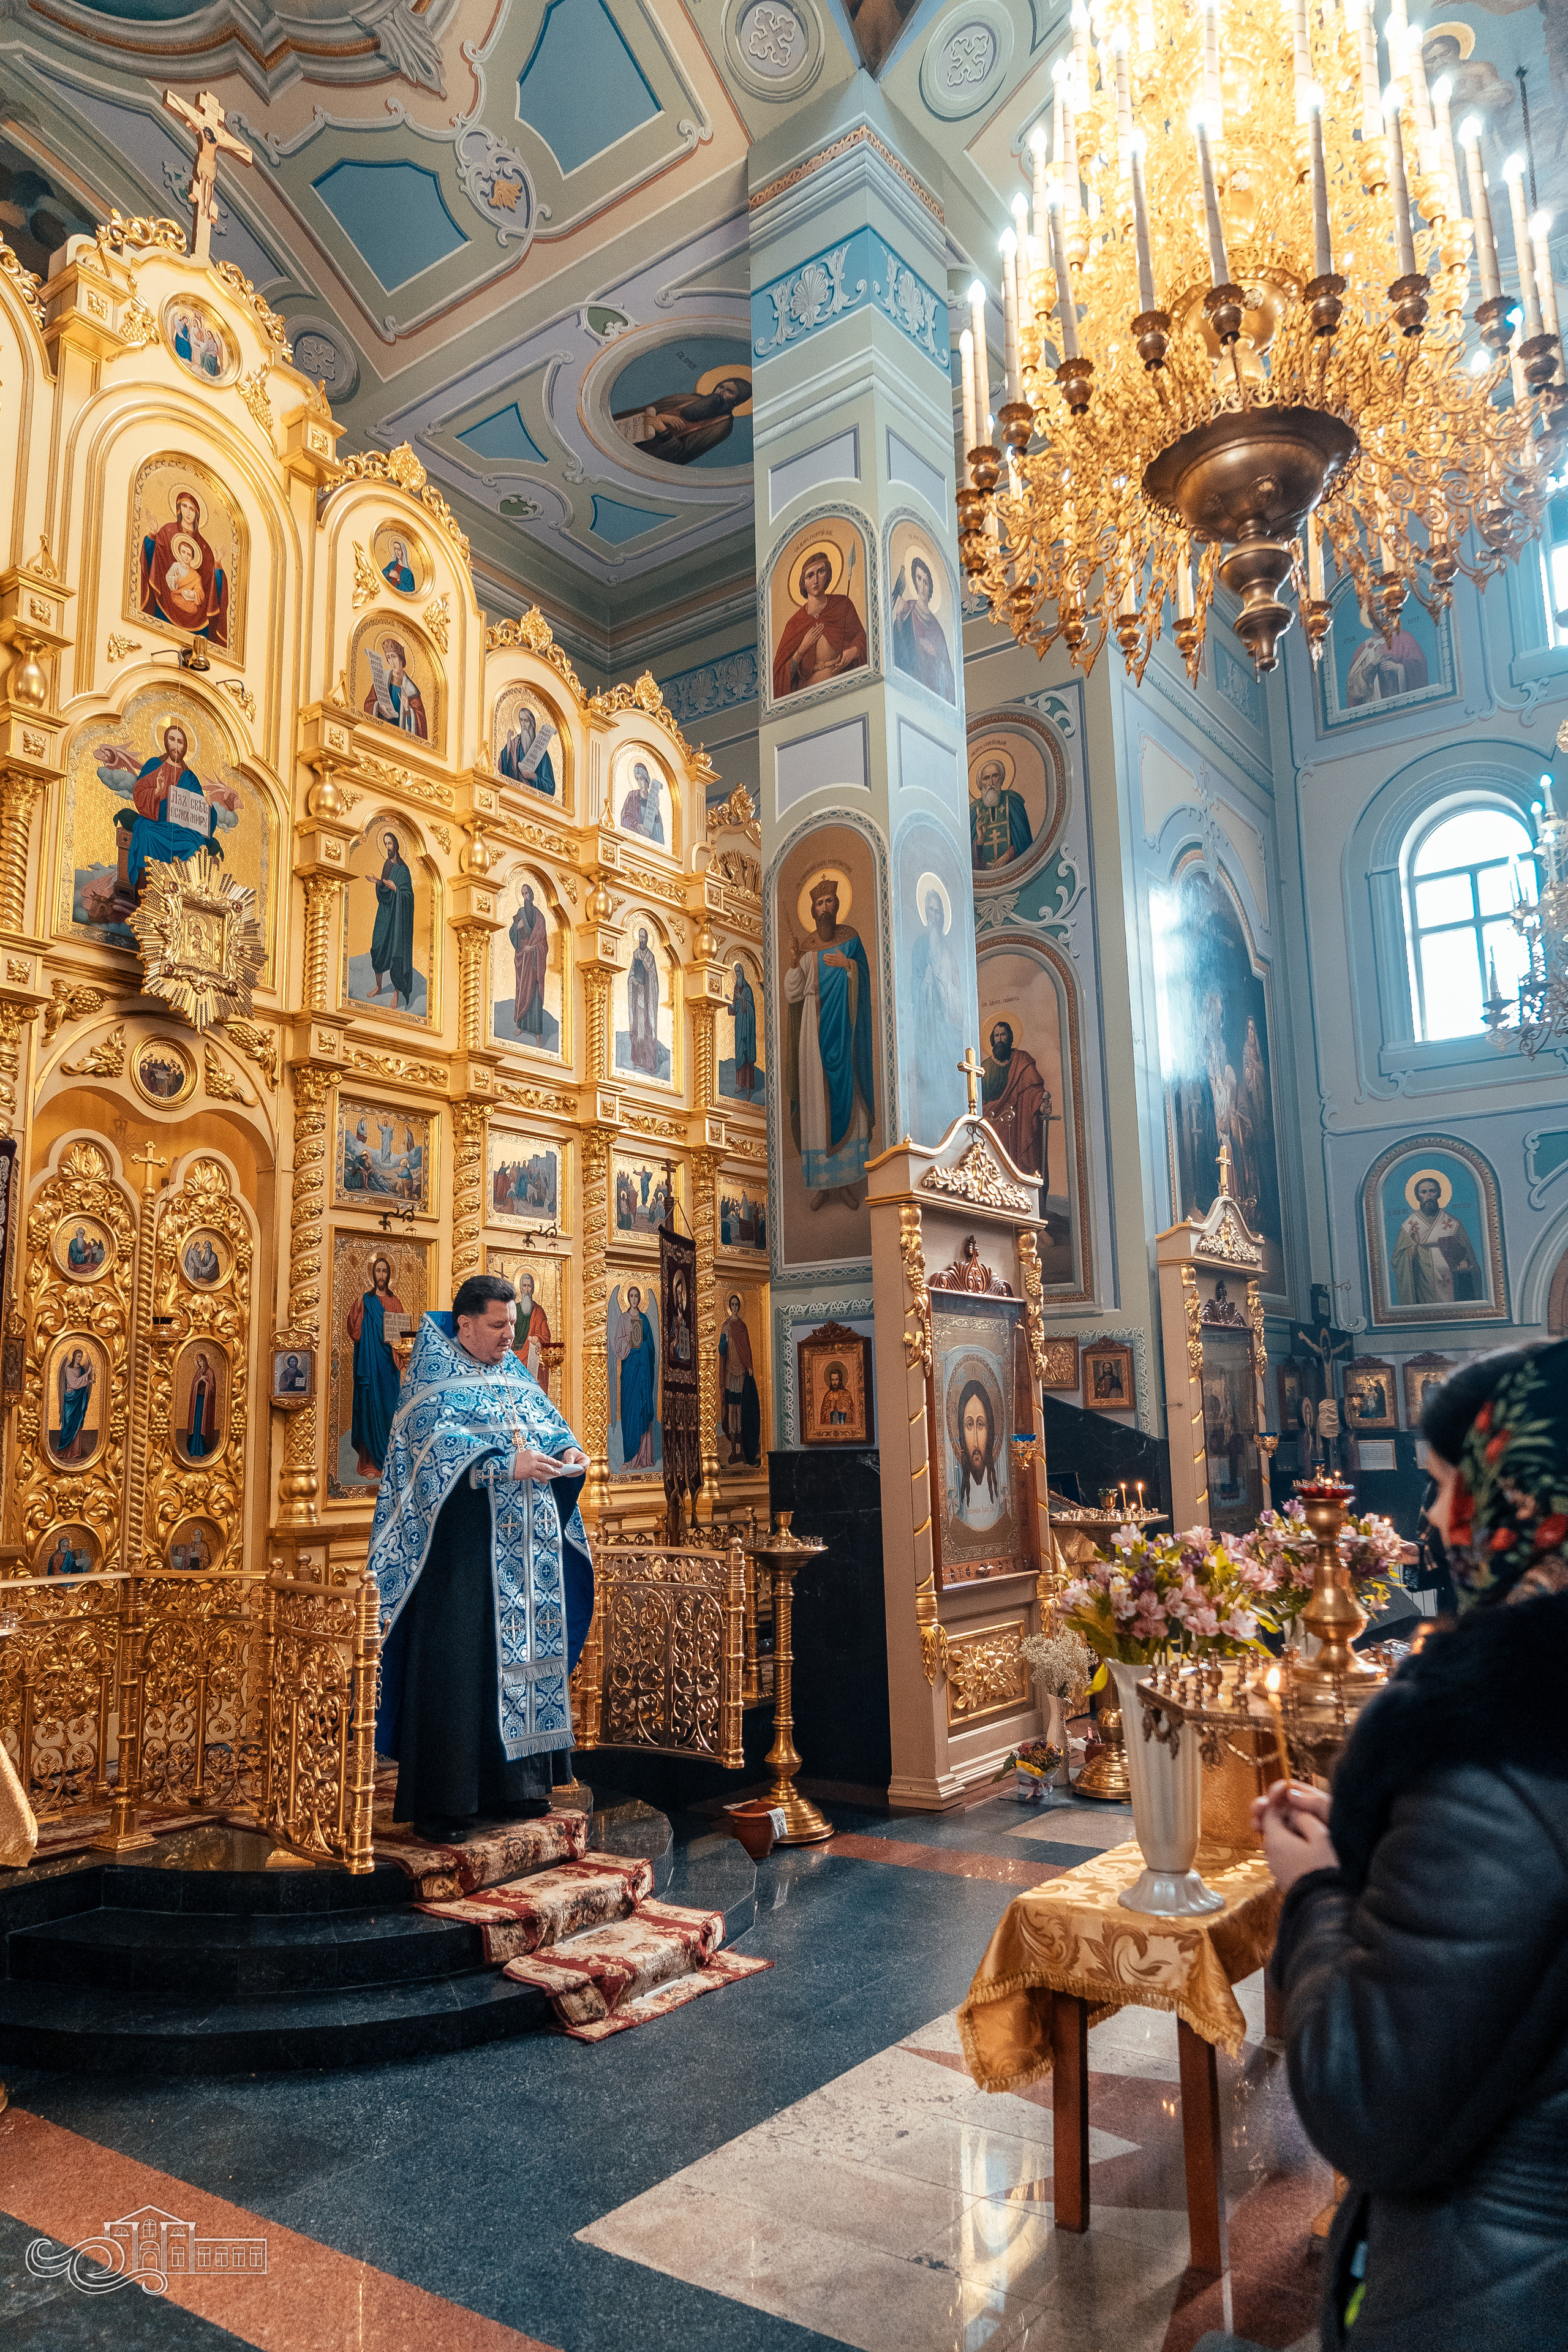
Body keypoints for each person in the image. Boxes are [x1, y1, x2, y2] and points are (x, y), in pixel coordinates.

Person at [1256, 1340, 1568, 2352]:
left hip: (1492, 2294)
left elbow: (1373, 2107)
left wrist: (1317, 1892)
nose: (1433, 1522)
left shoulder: (1500, 1753)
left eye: (1447, 1488)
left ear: (1527, 1502)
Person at [370, 1274, 592, 1842]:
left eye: (512, 1326)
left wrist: (567, 1448)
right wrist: (498, 1465)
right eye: (497, 1326)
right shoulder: (430, 1377)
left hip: (524, 1556)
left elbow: (546, 1420)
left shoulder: (511, 1372)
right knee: (459, 1670)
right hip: (459, 1565)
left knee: (518, 1662)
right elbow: (429, 1449)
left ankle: (517, 1787)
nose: (508, 1337)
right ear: (465, 1324)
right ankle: (446, 1804)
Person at [783, 873, 875, 1210]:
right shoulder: (807, 947)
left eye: (830, 902)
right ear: (813, 910)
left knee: (847, 1094)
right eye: (819, 904)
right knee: (815, 1103)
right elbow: (792, 991)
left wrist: (849, 965)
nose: (824, 909)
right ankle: (824, 1183)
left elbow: (864, 978)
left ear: (838, 906)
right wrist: (795, 961)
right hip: (812, 1029)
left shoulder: (851, 941)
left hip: (846, 1030)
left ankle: (847, 1181)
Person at [96, 723, 240, 914]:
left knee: (191, 847)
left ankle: (181, 903)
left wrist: (207, 807)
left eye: (180, 742)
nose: (175, 745)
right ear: (166, 741)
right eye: (172, 740)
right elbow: (139, 793)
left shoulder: (190, 777)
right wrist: (156, 791)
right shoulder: (155, 765)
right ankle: (144, 895)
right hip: (155, 821)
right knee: (146, 834)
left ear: (185, 747)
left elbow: (204, 817)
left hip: (184, 830)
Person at [140, 487, 230, 646]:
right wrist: (153, 535)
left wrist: (217, 564)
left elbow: (214, 588)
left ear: (197, 515)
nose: (188, 513)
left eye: (193, 509)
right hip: (165, 606)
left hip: (197, 621)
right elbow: (152, 562)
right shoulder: (167, 532)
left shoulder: (204, 547)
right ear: (179, 508)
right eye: (185, 507)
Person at [908, 888, 964, 1142]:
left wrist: (947, 994)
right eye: (929, 910)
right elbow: (914, 982)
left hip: (948, 1030)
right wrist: (926, 985)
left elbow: (955, 992)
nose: (934, 915)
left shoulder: (950, 950)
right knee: (931, 1081)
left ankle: (951, 1137)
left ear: (943, 915)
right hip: (929, 1027)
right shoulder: (921, 944)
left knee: (949, 1083)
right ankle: (933, 1139)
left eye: (937, 910)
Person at [772, 551, 867, 698]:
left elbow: (862, 638)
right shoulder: (795, 624)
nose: (816, 580)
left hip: (843, 689)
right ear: (804, 583)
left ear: (827, 575)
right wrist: (802, 649)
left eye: (821, 572)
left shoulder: (842, 605)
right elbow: (778, 677)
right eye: (810, 576)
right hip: (807, 697)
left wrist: (854, 651)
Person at [347, 1254, 405, 1478]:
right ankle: (369, 1463)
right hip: (369, 1363)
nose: (381, 1275)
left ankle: (388, 1461)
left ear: (389, 1275)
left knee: (388, 1409)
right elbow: (355, 1332)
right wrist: (358, 1310)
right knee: (369, 1407)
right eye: (378, 1271)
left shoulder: (395, 1302)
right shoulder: (364, 1301)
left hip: (388, 1366)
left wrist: (399, 1350)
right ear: (373, 1274)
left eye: (385, 1271)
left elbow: (400, 1337)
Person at [612, 375, 750, 465]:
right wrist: (658, 416)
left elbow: (682, 455)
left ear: (737, 401)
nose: (721, 392)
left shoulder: (722, 425)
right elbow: (642, 411)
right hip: (623, 436)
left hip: (641, 457)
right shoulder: (687, 398)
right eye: (721, 387)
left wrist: (664, 431)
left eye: (729, 392)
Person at [1392, 1173, 1483, 1306]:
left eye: (1432, 1191)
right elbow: (1397, 1259)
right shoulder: (1409, 1225)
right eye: (1424, 1192)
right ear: (1418, 1196)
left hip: (1452, 1281)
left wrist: (1465, 1263)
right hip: (1424, 1282)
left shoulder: (1453, 1223)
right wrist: (1411, 1252)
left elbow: (1467, 1254)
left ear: (1439, 1194)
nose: (1428, 1196)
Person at [981, 1019, 1050, 1194]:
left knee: (1020, 1167)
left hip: (1018, 1126)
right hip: (992, 1128)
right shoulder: (985, 1067)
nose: (999, 1039)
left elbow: (1033, 1090)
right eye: (996, 1035)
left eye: (1003, 1035)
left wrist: (1040, 1105)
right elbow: (978, 1097)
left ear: (1010, 1037)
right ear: (992, 1039)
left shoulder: (1022, 1061)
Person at [891, 552, 955, 701]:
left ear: (930, 587)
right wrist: (899, 619)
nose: (922, 585)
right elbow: (898, 645)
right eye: (919, 579)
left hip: (929, 690)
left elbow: (948, 673)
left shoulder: (936, 627)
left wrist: (935, 654)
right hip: (909, 683)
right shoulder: (908, 607)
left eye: (926, 582)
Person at [365, 829, 416, 1008]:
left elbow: (409, 895)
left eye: (390, 843)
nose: (388, 847)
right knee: (377, 947)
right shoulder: (387, 865)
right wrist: (379, 883)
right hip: (386, 911)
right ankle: (379, 987)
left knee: (397, 954)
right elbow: (385, 889)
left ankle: (396, 993)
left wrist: (397, 889)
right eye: (385, 843)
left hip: (399, 918)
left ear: (396, 845)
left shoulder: (403, 870)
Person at [613, 1284, 657, 1470]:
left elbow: (651, 1346)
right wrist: (628, 1339)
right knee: (630, 1410)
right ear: (628, 1298)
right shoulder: (623, 1319)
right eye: (631, 1296)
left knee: (642, 1409)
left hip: (643, 1371)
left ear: (639, 1299)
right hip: (630, 1370)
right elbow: (617, 1345)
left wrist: (643, 1345)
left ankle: (644, 1458)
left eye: (636, 1296)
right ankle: (629, 1458)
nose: (633, 1299)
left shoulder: (644, 1319)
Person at [970, 757, 1033, 871]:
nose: (991, 783)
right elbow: (968, 859)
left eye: (995, 776)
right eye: (986, 778)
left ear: (1001, 779)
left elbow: (1025, 842)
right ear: (981, 783)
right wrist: (979, 841)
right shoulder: (974, 811)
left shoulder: (1013, 802)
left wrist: (1008, 855)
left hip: (1013, 871)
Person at [718, 1294, 760, 1466]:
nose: (735, 1307)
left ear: (739, 1307)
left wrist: (750, 1365)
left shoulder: (742, 1326)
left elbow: (747, 1349)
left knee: (743, 1411)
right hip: (730, 1372)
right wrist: (725, 1343)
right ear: (729, 1306)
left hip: (742, 1372)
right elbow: (721, 1351)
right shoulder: (725, 1326)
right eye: (732, 1304)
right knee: (732, 1410)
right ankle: (734, 1451)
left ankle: (744, 1450)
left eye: (737, 1305)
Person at [363, 636, 428, 739]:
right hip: (381, 734)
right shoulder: (381, 679)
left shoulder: (412, 691)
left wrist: (408, 710)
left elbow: (421, 727)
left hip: (401, 739)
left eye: (394, 657)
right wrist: (379, 707)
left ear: (401, 660)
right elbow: (369, 704)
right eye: (389, 658)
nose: (392, 662)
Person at [510, 884, 549, 1038]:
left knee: (535, 994)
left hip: (535, 962)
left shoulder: (540, 917)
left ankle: (538, 1031)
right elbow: (513, 934)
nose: (527, 896)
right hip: (523, 959)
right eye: (524, 894)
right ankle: (521, 1026)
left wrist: (533, 949)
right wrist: (516, 928)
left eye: (528, 893)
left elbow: (544, 943)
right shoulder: (520, 913)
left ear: (533, 895)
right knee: (522, 989)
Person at [625, 927, 660, 1074]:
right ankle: (637, 1061)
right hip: (637, 998)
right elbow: (631, 974)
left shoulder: (650, 957)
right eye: (640, 937)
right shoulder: (635, 954)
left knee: (646, 1030)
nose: (642, 940)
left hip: (646, 1002)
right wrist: (633, 980)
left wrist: (646, 970)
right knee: (636, 1030)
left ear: (647, 939)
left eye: (644, 937)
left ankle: (648, 1064)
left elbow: (654, 980)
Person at [513, 1270, 552, 1396]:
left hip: (532, 1357)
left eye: (530, 1286)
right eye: (524, 1286)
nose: (527, 1289)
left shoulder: (539, 1311)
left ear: (533, 1288)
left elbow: (546, 1337)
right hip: (516, 1356)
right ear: (521, 1288)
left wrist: (538, 1338)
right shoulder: (514, 1310)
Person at [53, 1347, 95, 1463]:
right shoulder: (69, 1369)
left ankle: (75, 1452)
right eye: (78, 1356)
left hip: (79, 1399)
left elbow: (81, 1383)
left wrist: (88, 1381)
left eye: (81, 1357)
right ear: (74, 1357)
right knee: (68, 1425)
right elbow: (74, 1383)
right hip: (71, 1398)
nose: (79, 1358)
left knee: (78, 1424)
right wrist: (87, 1374)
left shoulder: (81, 1369)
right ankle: (62, 1451)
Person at [728, 962, 758, 1099]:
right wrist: (730, 1003)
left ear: (743, 973)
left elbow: (751, 1008)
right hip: (739, 1025)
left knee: (747, 1055)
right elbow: (734, 1010)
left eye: (739, 971)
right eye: (736, 972)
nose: (738, 974)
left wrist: (743, 1001)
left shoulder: (747, 989)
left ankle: (749, 1089)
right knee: (739, 1052)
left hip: (748, 1026)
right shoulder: (736, 988)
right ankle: (740, 1085)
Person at [617, 761, 665, 844]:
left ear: (647, 780)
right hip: (635, 843)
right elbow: (625, 818)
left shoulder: (653, 801)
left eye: (642, 779)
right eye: (637, 779)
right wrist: (638, 826)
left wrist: (656, 814)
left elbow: (659, 837)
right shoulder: (632, 796)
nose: (640, 783)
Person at [184, 1349, 219, 1460]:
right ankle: (193, 1449)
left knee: (203, 1424)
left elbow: (213, 1388)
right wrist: (199, 1381)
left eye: (201, 1361)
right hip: (198, 1401)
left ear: (205, 1361)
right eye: (198, 1362)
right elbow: (194, 1385)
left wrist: (206, 1382)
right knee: (196, 1424)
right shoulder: (198, 1372)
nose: (200, 1364)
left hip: (206, 1403)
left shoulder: (210, 1372)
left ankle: (202, 1449)